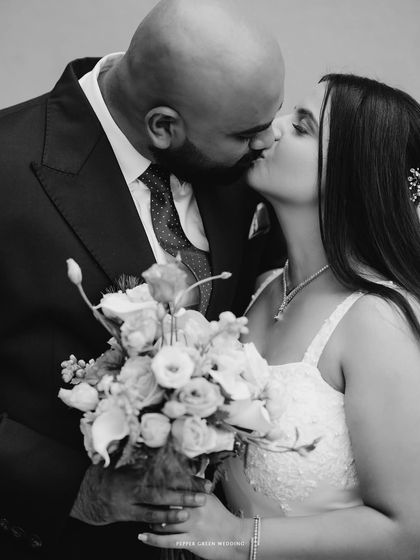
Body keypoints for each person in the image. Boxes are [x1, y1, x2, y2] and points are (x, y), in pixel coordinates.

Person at [0, 0, 285, 558]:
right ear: (163, 126)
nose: (267, 141)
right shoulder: (10, 167)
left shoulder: (238, 163)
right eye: (248, 133)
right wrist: (74, 491)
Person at [137, 74, 420, 559]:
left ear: (353, 172)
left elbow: (409, 532)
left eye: (303, 126)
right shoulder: (266, 285)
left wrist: (234, 540)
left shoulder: (377, 320)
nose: (273, 128)